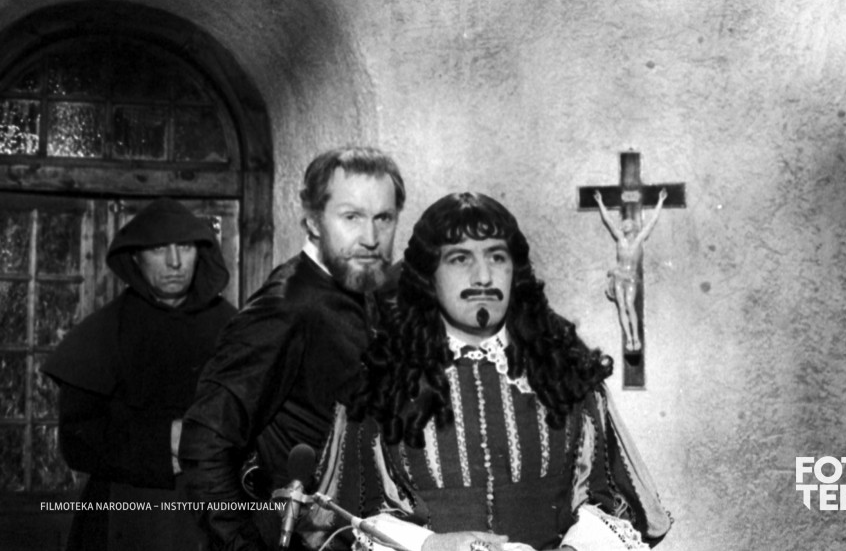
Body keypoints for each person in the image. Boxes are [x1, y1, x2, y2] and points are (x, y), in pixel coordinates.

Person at [304, 192, 672, 551]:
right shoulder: (378, 386)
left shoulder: (569, 376)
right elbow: (335, 521)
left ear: (515, 270)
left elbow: (614, 504)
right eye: (460, 259)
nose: (483, 277)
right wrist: (429, 544)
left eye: (497, 257)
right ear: (428, 275)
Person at [180, 147, 406, 550]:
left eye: (383, 218)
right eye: (351, 217)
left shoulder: (359, 287)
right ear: (313, 220)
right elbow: (204, 444)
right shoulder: (286, 304)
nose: (371, 238)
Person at [41, 198, 237, 551]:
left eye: (185, 247)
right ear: (135, 257)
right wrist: (166, 440)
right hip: (122, 513)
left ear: (201, 253)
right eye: (159, 249)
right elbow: (77, 442)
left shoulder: (234, 329)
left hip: (213, 515)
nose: (174, 262)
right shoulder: (104, 332)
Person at [593, 188, 667, 351]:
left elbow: (652, 222)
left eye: (627, 224)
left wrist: (660, 201)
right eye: (623, 224)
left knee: (629, 304)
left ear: (633, 226)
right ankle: (628, 337)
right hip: (619, 276)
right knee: (621, 306)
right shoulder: (620, 239)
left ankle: (635, 337)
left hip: (632, 277)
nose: (623, 226)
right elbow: (608, 221)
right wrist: (600, 202)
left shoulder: (639, 239)